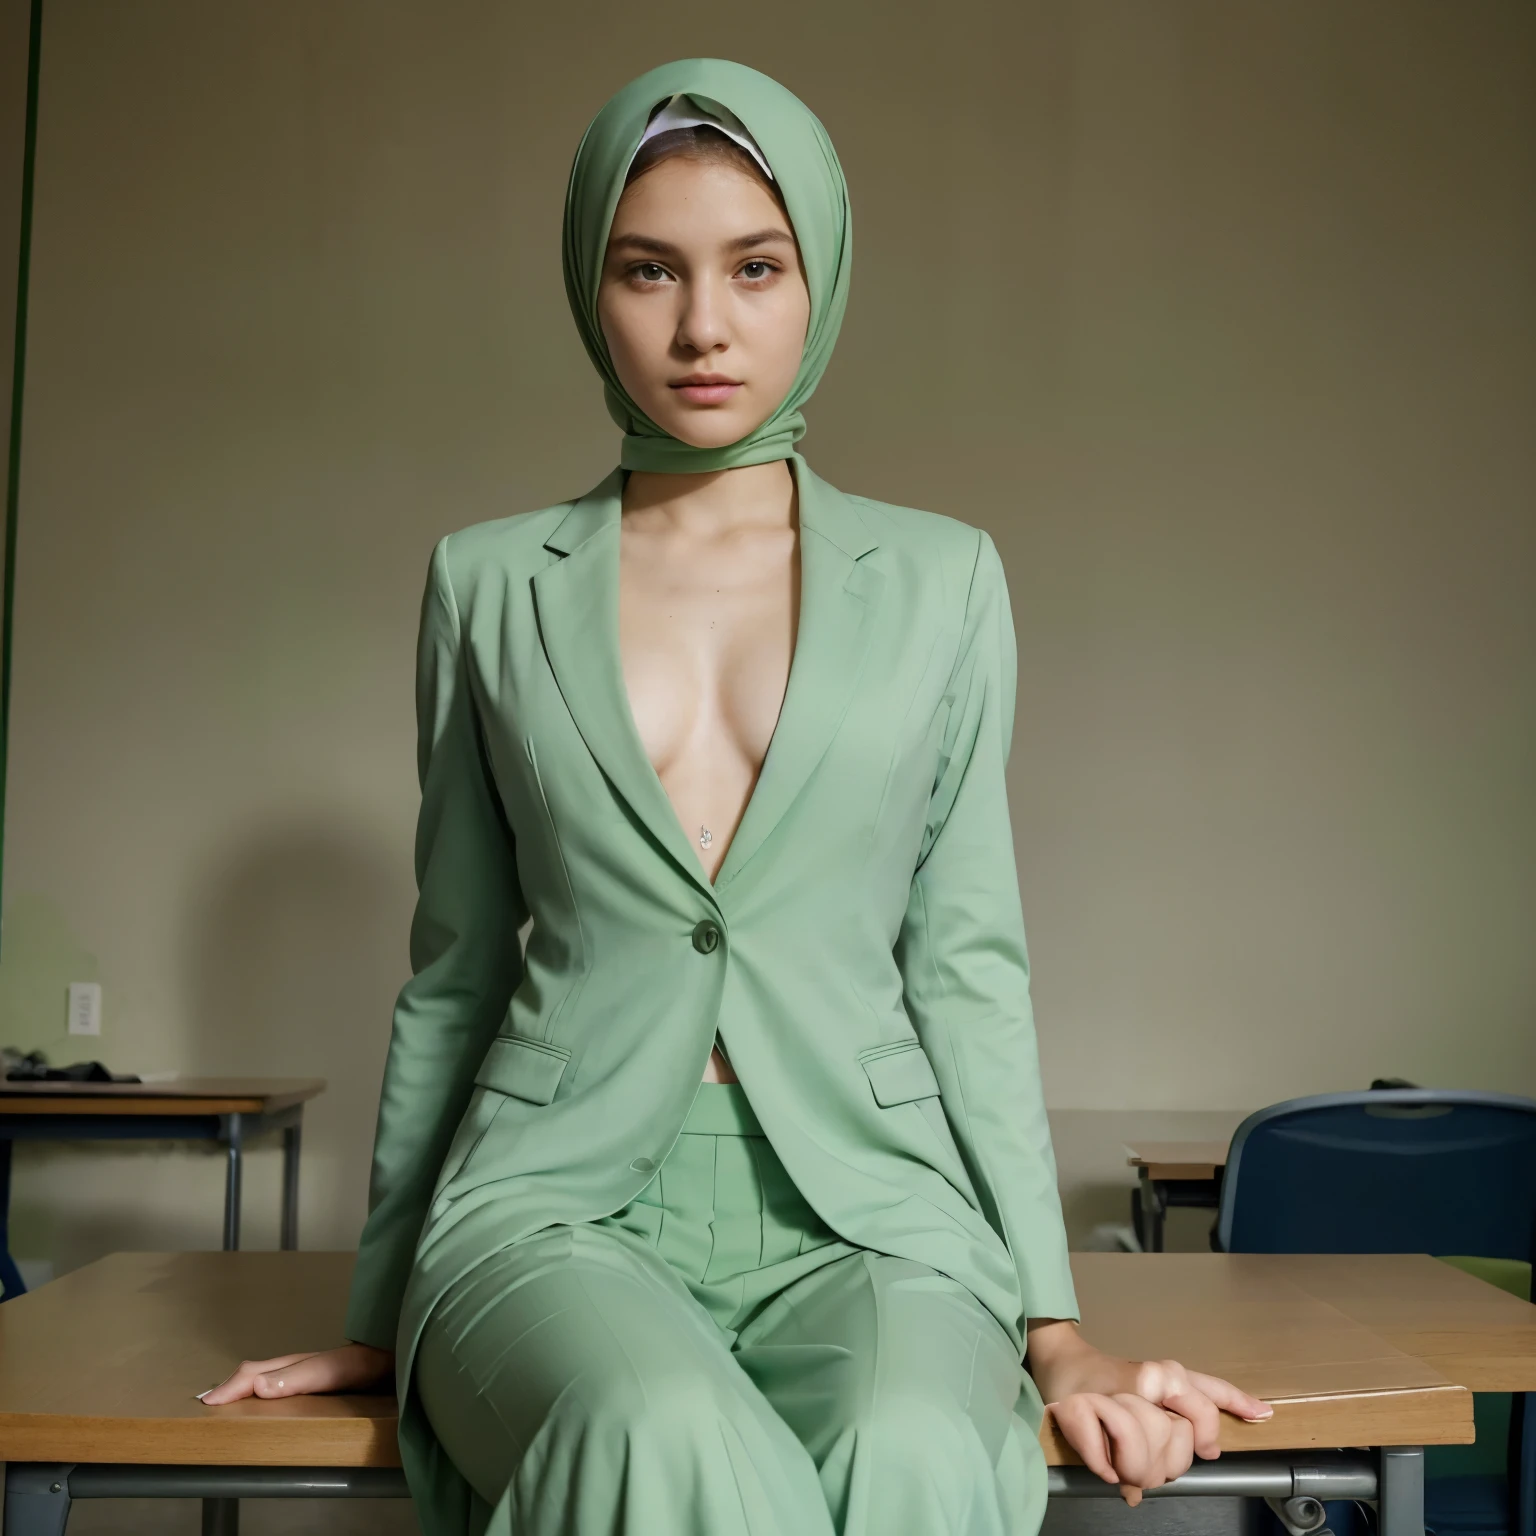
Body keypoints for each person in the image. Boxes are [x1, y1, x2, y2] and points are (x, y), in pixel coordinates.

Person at [201, 56, 1272, 1536]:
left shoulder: (947, 581)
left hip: (875, 1211)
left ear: (818, 275)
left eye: (755, 268)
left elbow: (966, 970)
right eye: (650, 271)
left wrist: (1054, 1323)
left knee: (917, 1450)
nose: (703, 326)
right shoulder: (488, 583)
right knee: (658, 1435)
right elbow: (453, 972)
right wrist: (382, 1320)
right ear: (593, 287)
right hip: (551, 1206)